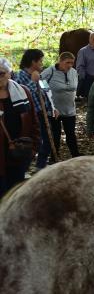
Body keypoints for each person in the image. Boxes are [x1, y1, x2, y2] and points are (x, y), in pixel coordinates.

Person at [0, 57, 38, 197]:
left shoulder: (23, 92)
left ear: (10, 73)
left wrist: (32, 150)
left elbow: (34, 123)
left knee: (14, 196)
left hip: (18, 155)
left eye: (1, 73)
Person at [14, 49, 56, 171]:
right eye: (40, 61)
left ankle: (40, 167)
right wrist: (33, 81)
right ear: (33, 62)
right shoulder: (20, 76)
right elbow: (23, 96)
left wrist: (53, 107)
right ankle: (24, 167)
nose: (42, 64)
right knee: (34, 141)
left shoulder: (40, 74)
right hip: (30, 115)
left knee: (48, 140)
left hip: (43, 114)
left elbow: (46, 92)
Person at [41, 52, 80, 160]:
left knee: (71, 134)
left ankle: (75, 156)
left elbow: (74, 88)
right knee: (55, 134)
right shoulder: (50, 71)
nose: (70, 65)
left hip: (70, 109)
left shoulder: (74, 72)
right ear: (60, 61)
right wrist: (46, 93)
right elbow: (40, 83)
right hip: (54, 110)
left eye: (72, 63)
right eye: (67, 62)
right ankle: (54, 156)